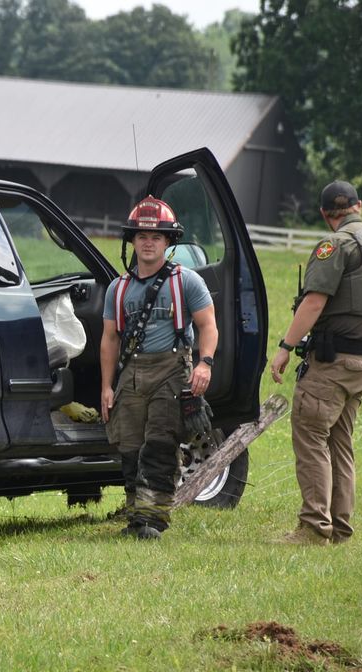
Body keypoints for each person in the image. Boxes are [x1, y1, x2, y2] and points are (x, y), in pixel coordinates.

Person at [269, 180, 362, 546]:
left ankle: (313, 527)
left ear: (327, 215)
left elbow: (314, 301)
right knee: (340, 442)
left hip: (334, 359)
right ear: (359, 204)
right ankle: (339, 527)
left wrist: (284, 347)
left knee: (310, 434)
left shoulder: (335, 244)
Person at [100, 197, 218, 540]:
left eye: (156, 236)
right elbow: (109, 339)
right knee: (130, 448)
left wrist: (205, 363)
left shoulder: (187, 282)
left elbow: (208, 325)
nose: (148, 242)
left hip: (172, 370)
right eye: (141, 236)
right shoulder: (117, 289)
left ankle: (152, 521)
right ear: (132, 241)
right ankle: (136, 519)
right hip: (131, 373)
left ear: (168, 242)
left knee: (159, 445)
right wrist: (107, 386)